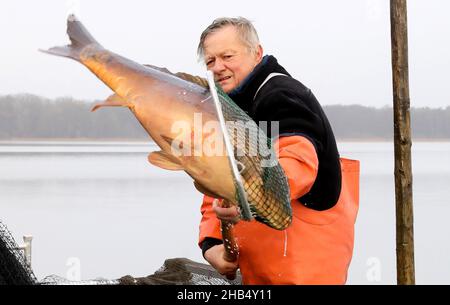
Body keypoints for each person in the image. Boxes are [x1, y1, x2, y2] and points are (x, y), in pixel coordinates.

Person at [196, 17, 360, 284]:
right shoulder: (228, 110)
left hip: (307, 270)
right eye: (210, 61)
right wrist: (212, 242)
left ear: (256, 53)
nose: (218, 67)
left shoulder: (282, 95)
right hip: (258, 271)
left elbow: (296, 164)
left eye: (227, 56)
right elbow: (215, 180)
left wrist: (244, 198)